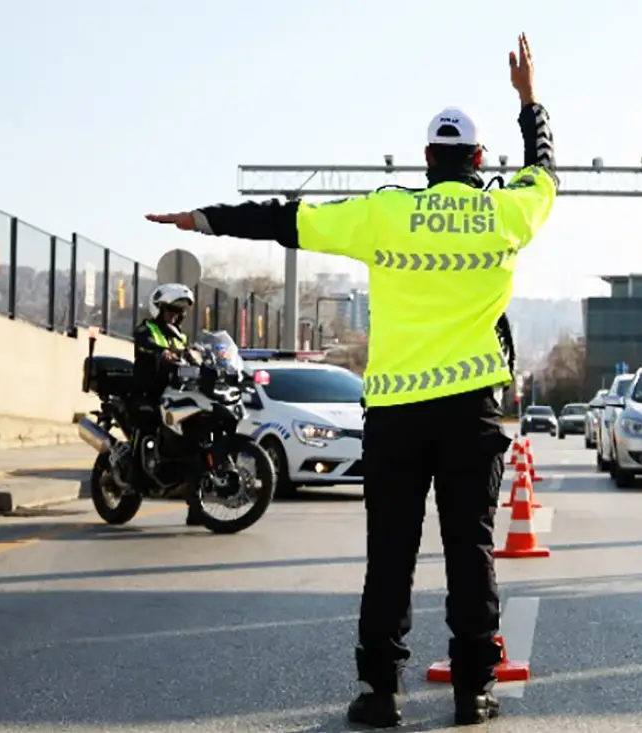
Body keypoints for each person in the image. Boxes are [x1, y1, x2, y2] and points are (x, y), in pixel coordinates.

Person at [145, 33, 556, 727]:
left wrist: (203, 219)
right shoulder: (507, 211)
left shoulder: (384, 211)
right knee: (472, 550)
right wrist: (530, 100)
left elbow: (286, 220)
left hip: (396, 413)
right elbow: (546, 170)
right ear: (480, 162)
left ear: (427, 160)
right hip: (471, 413)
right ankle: (472, 691)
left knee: (389, 556)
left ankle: (380, 693)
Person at [131, 283, 205, 527]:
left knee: (193, 445)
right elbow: (143, 341)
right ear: (159, 309)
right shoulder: (147, 328)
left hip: (174, 394)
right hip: (147, 392)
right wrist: (162, 351)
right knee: (146, 424)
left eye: (178, 311)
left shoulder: (180, 336)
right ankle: (134, 473)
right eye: (170, 310)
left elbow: (190, 355)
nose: (175, 315)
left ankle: (196, 507)